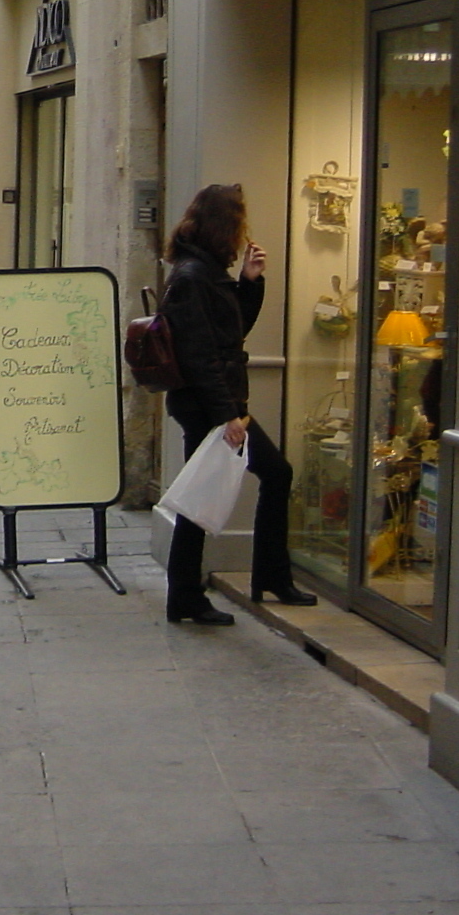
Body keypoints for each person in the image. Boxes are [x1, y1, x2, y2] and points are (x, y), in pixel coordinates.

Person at [160, 182, 316, 625]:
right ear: (223, 226)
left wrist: (249, 283)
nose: (243, 233)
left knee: (230, 487)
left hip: (215, 403)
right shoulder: (193, 277)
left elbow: (231, 332)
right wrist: (227, 415)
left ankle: (245, 582)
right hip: (210, 405)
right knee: (222, 490)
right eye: (239, 224)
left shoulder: (204, 272)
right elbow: (201, 355)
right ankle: (201, 592)